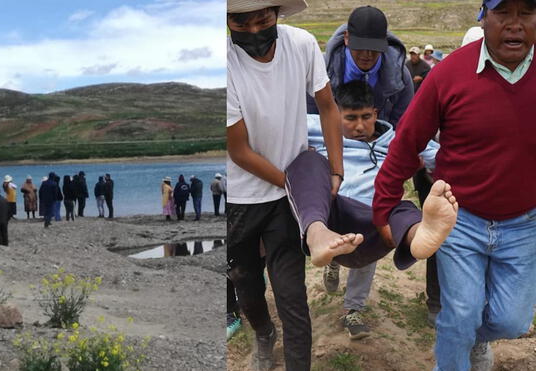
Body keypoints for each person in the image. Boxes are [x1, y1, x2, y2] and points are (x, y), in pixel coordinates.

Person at [372, 1, 536, 369]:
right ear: (483, 16)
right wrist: (383, 206)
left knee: (513, 321)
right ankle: (457, 349)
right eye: (503, 13)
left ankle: (473, 339)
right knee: (459, 315)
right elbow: (408, 141)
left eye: (526, 13)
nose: (515, 25)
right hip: (458, 219)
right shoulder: (448, 73)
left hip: (525, 223)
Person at [227, 1, 355, 368]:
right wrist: (300, 186)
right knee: (245, 282)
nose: (253, 30)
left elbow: (328, 107)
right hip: (242, 197)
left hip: (287, 195)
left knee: (292, 295)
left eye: (263, 18)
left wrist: (335, 170)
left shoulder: (300, 44)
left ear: (278, 12)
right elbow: (239, 151)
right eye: (241, 20)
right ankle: (264, 332)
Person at [303, 80, 455, 339]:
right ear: (336, 113)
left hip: (375, 217)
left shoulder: (396, 139)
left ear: (376, 114)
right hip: (335, 212)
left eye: (365, 117)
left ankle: (417, 236)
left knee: (397, 212)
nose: (359, 126)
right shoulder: (317, 129)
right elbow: (277, 129)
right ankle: (331, 258)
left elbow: (440, 156)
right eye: (350, 118)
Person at [306, 5, 413, 128]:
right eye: (360, 46)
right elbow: (311, 122)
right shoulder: (319, 69)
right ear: (347, 38)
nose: (367, 54)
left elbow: (401, 127)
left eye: (374, 48)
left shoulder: (400, 77)